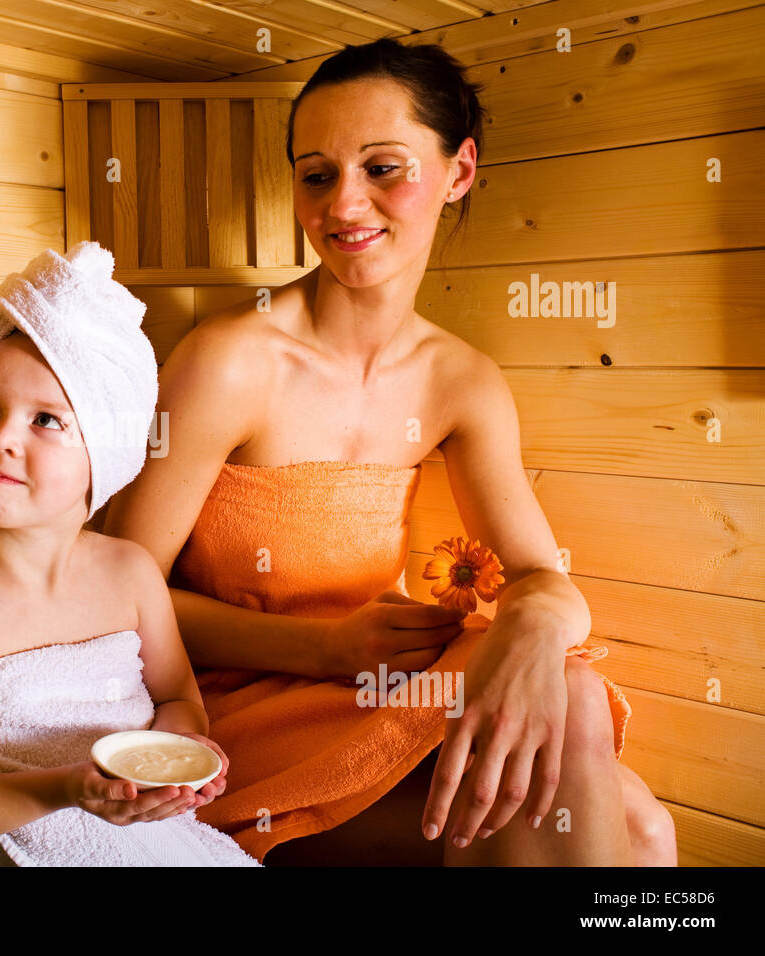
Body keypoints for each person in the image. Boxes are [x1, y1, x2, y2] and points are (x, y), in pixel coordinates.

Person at [102, 38, 677, 866]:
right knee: (628, 829)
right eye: (317, 174)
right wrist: (324, 650)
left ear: (460, 171)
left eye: (383, 167)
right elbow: (118, 596)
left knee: (587, 717)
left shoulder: (460, 380)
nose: (344, 206)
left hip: (379, 687)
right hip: (246, 702)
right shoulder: (231, 360)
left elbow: (542, 575)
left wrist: (534, 619)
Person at [0, 242, 258, 865]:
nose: (0, 438)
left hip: (146, 841)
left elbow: (180, 701)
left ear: (103, 452)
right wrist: (68, 790)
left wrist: (170, 763)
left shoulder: (131, 572)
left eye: (45, 421)